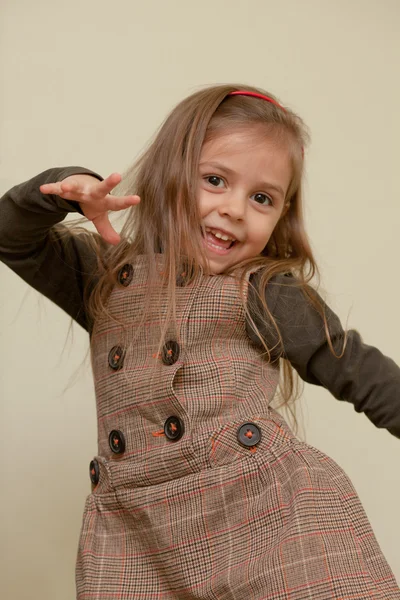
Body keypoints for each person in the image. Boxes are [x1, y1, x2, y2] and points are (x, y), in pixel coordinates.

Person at [1, 84, 399, 599]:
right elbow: (10, 234)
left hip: (265, 519)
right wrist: (64, 188)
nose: (235, 208)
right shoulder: (102, 277)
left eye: (262, 198)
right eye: (214, 180)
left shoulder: (264, 289)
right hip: (134, 539)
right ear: (169, 177)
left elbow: (357, 369)